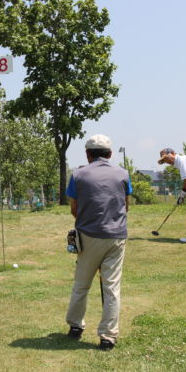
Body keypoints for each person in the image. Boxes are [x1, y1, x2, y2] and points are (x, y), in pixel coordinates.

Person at [65, 134, 132, 351]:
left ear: (88, 154)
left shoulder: (78, 174)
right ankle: (108, 337)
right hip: (116, 236)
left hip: (89, 235)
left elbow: (74, 209)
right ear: (110, 154)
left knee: (82, 284)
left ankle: (76, 326)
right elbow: (125, 205)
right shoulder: (123, 173)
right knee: (111, 287)